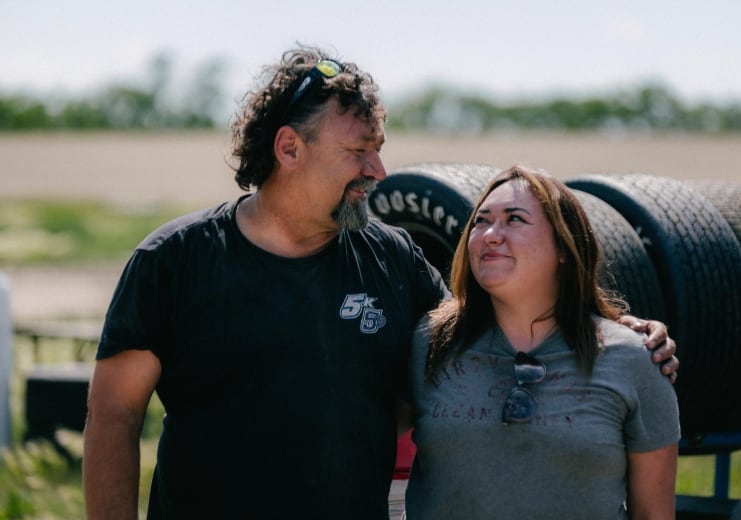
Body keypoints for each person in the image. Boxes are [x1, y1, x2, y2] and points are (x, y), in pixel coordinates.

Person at [82, 46, 678, 519]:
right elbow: (114, 417)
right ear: (289, 148)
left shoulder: (391, 259)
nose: (378, 171)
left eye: (380, 149)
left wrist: (617, 330)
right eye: (359, 151)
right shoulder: (175, 262)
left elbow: (487, 323)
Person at [401, 165, 680, 519]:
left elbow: (654, 514)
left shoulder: (635, 358)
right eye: (481, 221)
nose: (490, 234)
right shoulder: (429, 342)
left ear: (564, 247)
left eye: (514, 219)